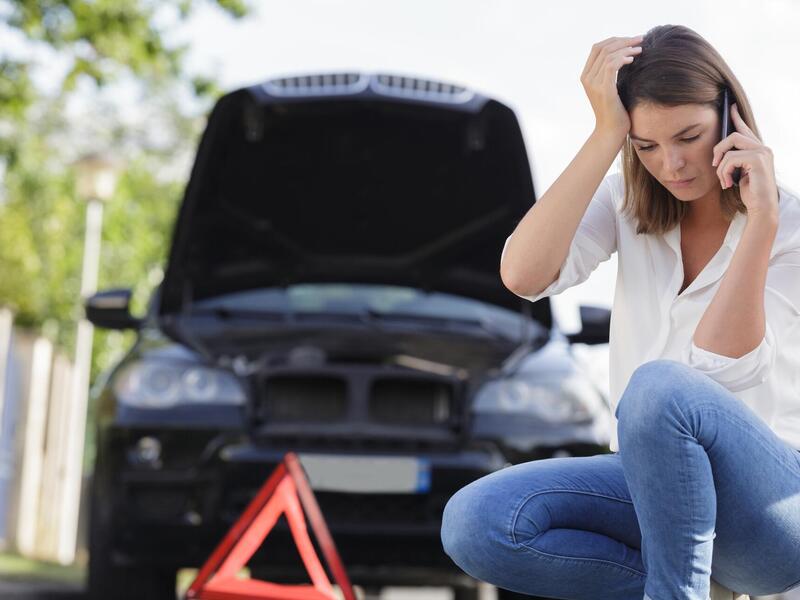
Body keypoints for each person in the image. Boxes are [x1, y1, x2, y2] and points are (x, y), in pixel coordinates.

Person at [440, 24, 800, 600]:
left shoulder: (788, 228)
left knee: (659, 387)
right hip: (654, 489)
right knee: (477, 521)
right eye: (647, 146)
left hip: (775, 509)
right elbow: (522, 276)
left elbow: (718, 367)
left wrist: (760, 223)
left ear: (731, 115)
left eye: (689, 136)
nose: (673, 164)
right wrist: (607, 131)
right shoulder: (626, 204)